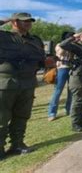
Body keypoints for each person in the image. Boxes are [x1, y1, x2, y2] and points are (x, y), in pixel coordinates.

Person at [0, 13, 45, 159]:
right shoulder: (4, 36)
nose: (28, 23)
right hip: (6, 82)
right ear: (14, 22)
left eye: (30, 21)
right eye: (24, 21)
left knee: (22, 115)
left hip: (28, 82)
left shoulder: (35, 40)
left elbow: (42, 58)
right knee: (1, 117)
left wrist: (48, 62)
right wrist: (5, 20)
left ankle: (17, 145)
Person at [59, 27, 82, 132]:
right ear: (80, 35)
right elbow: (62, 45)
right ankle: (75, 123)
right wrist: (73, 37)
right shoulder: (74, 46)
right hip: (78, 74)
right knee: (78, 99)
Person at [47, 31, 74, 121]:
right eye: (71, 37)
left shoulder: (73, 46)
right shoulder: (60, 45)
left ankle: (69, 109)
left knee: (71, 91)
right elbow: (61, 53)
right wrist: (68, 43)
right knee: (58, 91)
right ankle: (52, 112)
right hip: (62, 68)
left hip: (71, 68)